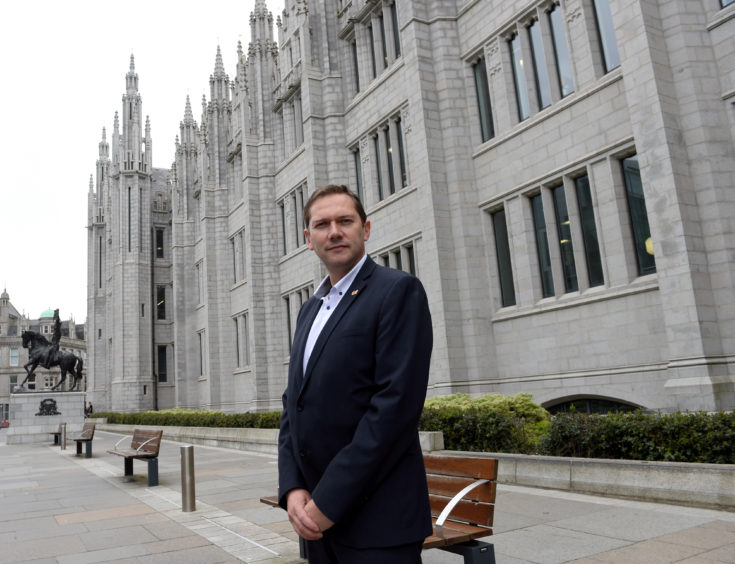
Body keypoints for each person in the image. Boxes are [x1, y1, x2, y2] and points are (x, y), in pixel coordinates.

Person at [278, 185, 433, 563]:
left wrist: (327, 503)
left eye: (345, 221)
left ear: (365, 229)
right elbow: (292, 405)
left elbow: (392, 411)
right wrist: (293, 487)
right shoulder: (309, 311)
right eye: (322, 224)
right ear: (308, 240)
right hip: (316, 520)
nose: (334, 231)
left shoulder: (397, 292)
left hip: (376, 523)